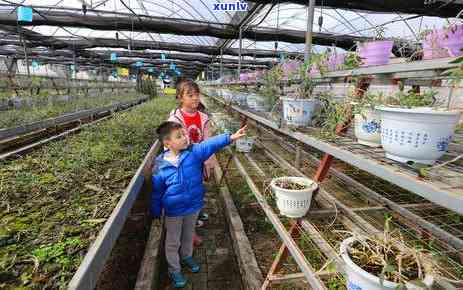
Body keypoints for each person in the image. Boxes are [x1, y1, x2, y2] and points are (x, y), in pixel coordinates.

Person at [151, 121, 247, 288]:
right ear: (167, 143)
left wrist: (230, 137)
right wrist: (156, 211)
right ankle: (174, 270)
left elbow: (210, 144)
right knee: (172, 241)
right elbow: (157, 192)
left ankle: (187, 256)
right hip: (174, 211)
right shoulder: (160, 166)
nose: (185, 138)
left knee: (188, 235)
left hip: (193, 207)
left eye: (184, 134)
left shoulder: (193, 152)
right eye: (179, 136)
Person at [168, 79, 213, 240]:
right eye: (190, 95)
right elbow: (172, 146)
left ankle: (196, 215)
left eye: (197, 94)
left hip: (198, 164)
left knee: (197, 190)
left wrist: (208, 163)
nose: (195, 98)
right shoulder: (175, 119)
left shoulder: (203, 117)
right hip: (184, 165)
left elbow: (208, 142)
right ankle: (190, 234)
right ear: (180, 98)